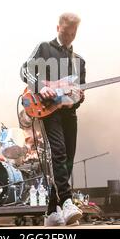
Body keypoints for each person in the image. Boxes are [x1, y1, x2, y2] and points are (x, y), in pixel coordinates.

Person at [20, 12, 86, 226]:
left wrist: (78, 98)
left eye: (73, 34)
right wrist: (42, 87)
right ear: (58, 28)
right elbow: (25, 71)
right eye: (66, 33)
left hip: (69, 114)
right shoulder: (44, 48)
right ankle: (66, 201)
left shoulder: (79, 62)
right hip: (48, 112)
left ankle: (51, 212)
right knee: (58, 153)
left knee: (67, 160)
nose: (69, 38)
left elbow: (77, 96)